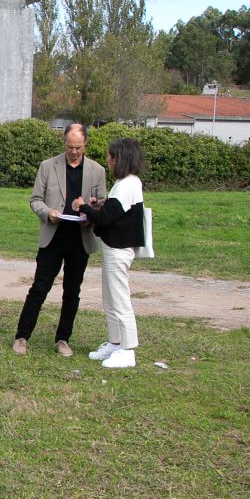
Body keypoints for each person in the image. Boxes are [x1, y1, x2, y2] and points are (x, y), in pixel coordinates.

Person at [13, 124, 106, 357]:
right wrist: (48, 213)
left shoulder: (97, 170)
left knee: (72, 291)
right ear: (63, 143)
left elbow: (102, 204)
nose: (73, 151)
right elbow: (35, 200)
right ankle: (22, 337)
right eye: (69, 146)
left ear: (86, 144)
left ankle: (63, 339)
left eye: (78, 147)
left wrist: (90, 214)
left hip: (80, 238)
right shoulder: (47, 166)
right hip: (53, 236)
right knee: (39, 288)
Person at [72, 138, 146, 369]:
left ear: (120, 159)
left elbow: (105, 218)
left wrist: (84, 206)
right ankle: (115, 342)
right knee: (110, 299)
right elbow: (111, 212)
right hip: (113, 247)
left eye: (110, 157)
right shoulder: (125, 183)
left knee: (120, 300)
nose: (108, 161)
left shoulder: (127, 185)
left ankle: (128, 349)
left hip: (119, 250)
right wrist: (97, 206)